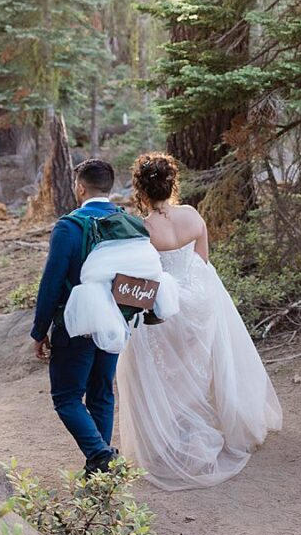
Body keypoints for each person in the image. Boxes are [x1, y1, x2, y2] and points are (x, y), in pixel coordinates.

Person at [114, 152, 284, 489]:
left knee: (163, 372)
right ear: (172, 183)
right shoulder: (192, 215)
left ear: (141, 191)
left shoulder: (143, 228)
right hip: (200, 299)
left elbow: (143, 277)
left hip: (165, 306)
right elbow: (202, 262)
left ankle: (174, 436)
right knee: (200, 363)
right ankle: (202, 425)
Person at [30, 157, 127, 476]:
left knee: (66, 396)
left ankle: (100, 454)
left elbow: (52, 281)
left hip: (77, 324)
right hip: (115, 321)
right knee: (101, 393)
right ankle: (99, 471)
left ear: (80, 187)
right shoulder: (126, 221)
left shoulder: (69, 226)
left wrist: (39, 329)